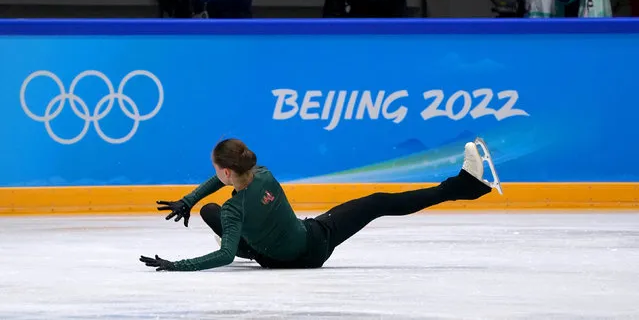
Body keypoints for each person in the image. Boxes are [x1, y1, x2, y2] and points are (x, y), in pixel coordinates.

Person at [140, 138, 502, 271]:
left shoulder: (234, 211)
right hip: (315, 241)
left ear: (225, 172)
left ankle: (256, 251)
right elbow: (220, 183)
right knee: (376, 203)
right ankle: (464, 186)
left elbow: (223, 255)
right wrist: (190, 199)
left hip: (276, 257)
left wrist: (176, 264)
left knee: (209, 211)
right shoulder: (263, 173)